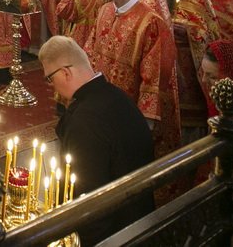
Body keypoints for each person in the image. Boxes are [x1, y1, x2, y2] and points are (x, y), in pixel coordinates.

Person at [39, 36, 155, 245]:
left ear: (66, 73)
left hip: (116, 235)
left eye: (49, 79)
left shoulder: (84, 121)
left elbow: (89, 203)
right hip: (142, 221)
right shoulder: (118, 96)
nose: (51, 87)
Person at [88, 0, 181, 161]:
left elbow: (154, 76)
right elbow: (90, 49)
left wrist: (143, 124)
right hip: (99, 104)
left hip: (127, 112)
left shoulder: (150, 22)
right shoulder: (104, 10)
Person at [163, 0, 220, 141]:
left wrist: (179, 29)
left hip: (190, 77)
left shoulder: (194, 1)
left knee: (188, 130)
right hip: (175, 69)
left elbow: (204, 34)